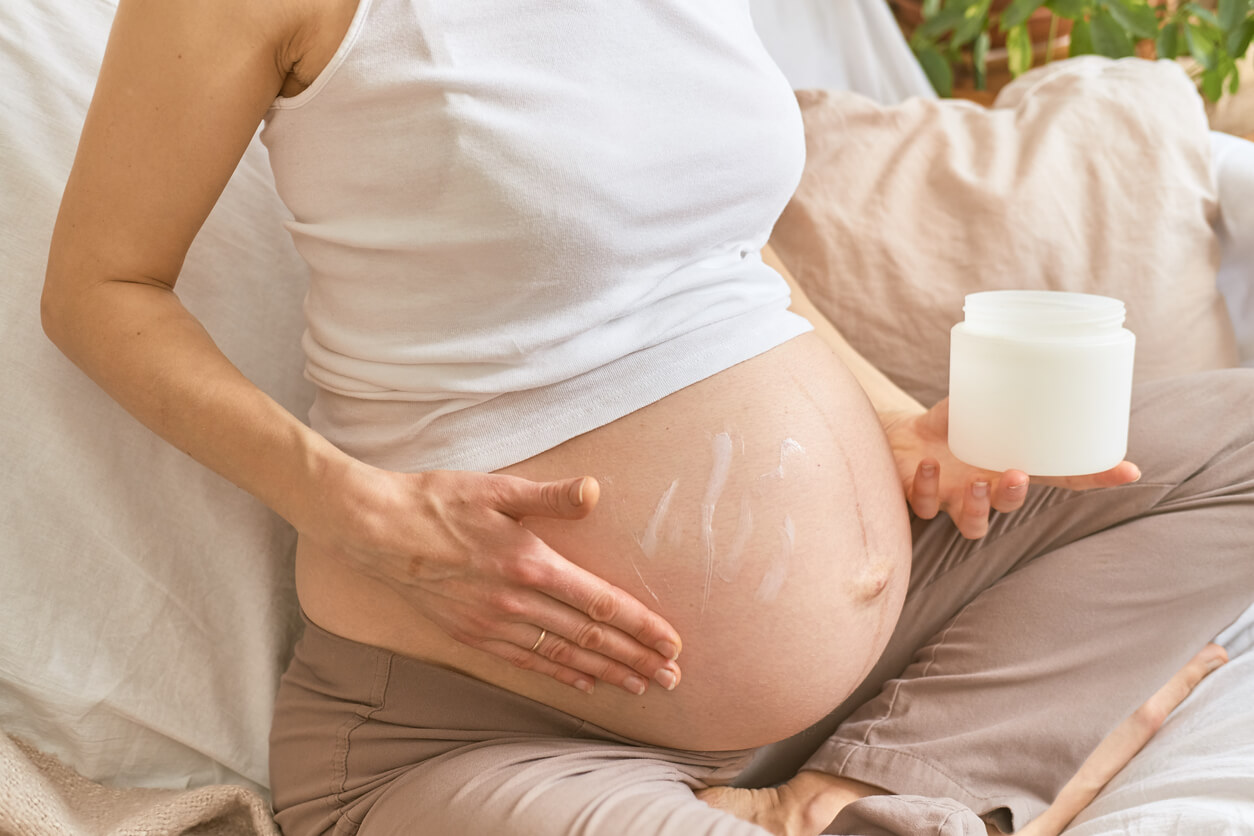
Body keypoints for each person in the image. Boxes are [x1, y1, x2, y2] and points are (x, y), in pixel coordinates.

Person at [40, 0, 1254, 834]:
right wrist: (355, 505)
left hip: (872, 640)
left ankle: (865, 788)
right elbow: (101, 289)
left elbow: (709, 242)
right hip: (482, 728)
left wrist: (887, 418)